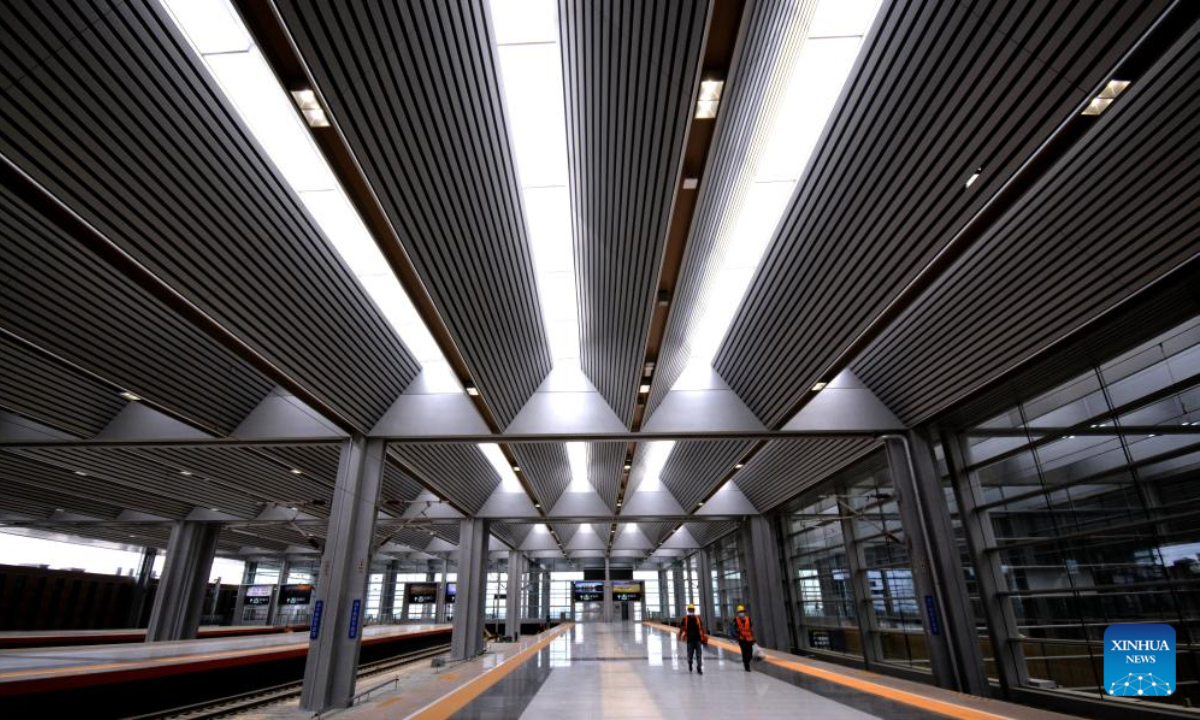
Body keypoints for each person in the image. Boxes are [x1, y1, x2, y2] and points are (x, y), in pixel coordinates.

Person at [677, 603, 707, 674]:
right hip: (690, 640)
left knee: (699, 654)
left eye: (692, 609)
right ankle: (690, 663)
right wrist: (679, 635)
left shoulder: (698, 618)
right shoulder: (685, 619)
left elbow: (701, 628)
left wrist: (704, 637)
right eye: (690, 610)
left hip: (698, 639)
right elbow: (682, 628)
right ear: (688, 610)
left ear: (694, 610)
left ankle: (699, 667)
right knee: (690, 654)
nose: (691, 611)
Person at [733, 605, 755, 672]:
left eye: (742, 611)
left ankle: (747, 662)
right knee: (744, 652)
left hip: (749, 639)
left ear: (744, 612)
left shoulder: (748, 619)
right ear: (738, 613)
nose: (741, 613)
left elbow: (751, 629)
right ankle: (746, 666)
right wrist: (736, 633)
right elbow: (733, 629)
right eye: (740, 612)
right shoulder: (736, 619)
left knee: (750, 653)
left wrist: (753, 638)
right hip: (742, 639)